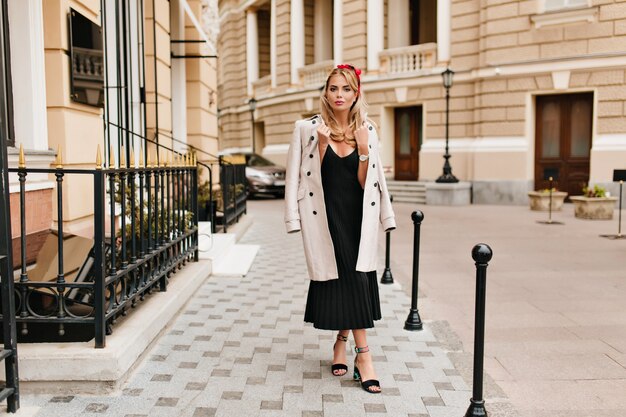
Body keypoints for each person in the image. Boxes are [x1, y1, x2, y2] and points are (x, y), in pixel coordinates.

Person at [284, 64, 396, 394]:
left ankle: (341, 343)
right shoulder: (306, 129)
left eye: (346, 89)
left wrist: (362, 150)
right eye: (333, 88)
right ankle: (366, 357)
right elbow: (297, 178)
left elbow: (369, 183)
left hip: (357, 217)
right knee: (349, 277)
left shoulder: (369, 130)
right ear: (325, 93)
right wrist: (320, 147)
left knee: (355, 278)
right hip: (324, 217)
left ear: (356, 93)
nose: (339, 95)